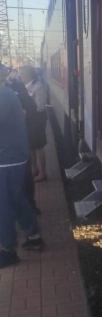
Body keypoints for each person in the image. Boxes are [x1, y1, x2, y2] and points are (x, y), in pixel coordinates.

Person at [0, 63, 44, 269]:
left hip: (7, 158)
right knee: (16, 199)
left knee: (4, 204)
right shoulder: (8, 94)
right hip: (12, 156)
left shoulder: (3, 97)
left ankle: (7, 250)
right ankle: (34, 236)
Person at [6, 75, 40, 214]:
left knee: (23, 178)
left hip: (15, 144)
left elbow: (31, 107)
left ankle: (28, 207)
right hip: (15, 144)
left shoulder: (15, 88)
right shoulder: (16, 87)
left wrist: (22, 114)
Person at [19, 66, 48, 182]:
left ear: (29, 74)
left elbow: (40, 107)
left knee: (38, 146)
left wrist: (26, 111)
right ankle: (34, 169)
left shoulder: (38, 87)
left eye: (23, 74)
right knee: (31, 146)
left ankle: (43, 173)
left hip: (37, 121)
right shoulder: (25, 86)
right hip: (29, 120)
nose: (21, 76)